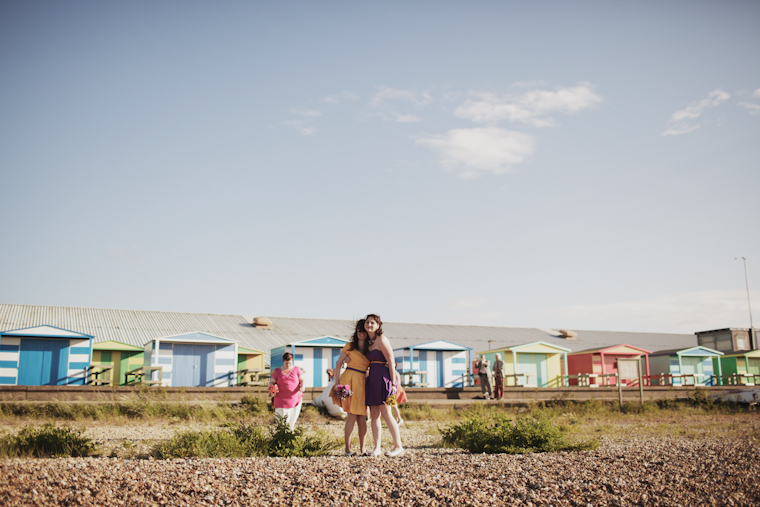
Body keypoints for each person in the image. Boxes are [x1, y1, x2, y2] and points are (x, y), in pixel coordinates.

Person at [364, 314, 404, 457]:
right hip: (372, 378)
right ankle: (377, 448)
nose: (369, 325)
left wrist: (393, 384)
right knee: (374, 414)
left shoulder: (382, 339)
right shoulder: (367, 341)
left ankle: (398, 446)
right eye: (367, 322)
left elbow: (391, 361)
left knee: (386, 413)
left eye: (372, 323)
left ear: (378, 325)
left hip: (383, 377)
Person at [330, 319, 370, 456]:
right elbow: (338, 364)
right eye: (359, 330)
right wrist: (336, 384)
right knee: (352, 415)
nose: (361, 333)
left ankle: (363, 449)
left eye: (363, 330)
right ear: (356, 331)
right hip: (349, 381)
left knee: (362, 416)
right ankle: (348, 449)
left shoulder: (370, 347)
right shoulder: (349, 346)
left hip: (363, 382)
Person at [269, 352, 304, 431]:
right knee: (281, 416)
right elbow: (272, 382)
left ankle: (290, 430)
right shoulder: (277, 371)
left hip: (294, 397)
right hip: (280, 398)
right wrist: (272, 387)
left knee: (292, 416)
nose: (288, 365)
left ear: (292, 361)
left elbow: (302, 379)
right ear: (283, 361)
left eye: (290, 363)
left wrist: (302, 386)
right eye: (286, 363)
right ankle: (281, 432)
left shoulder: (297, 369)